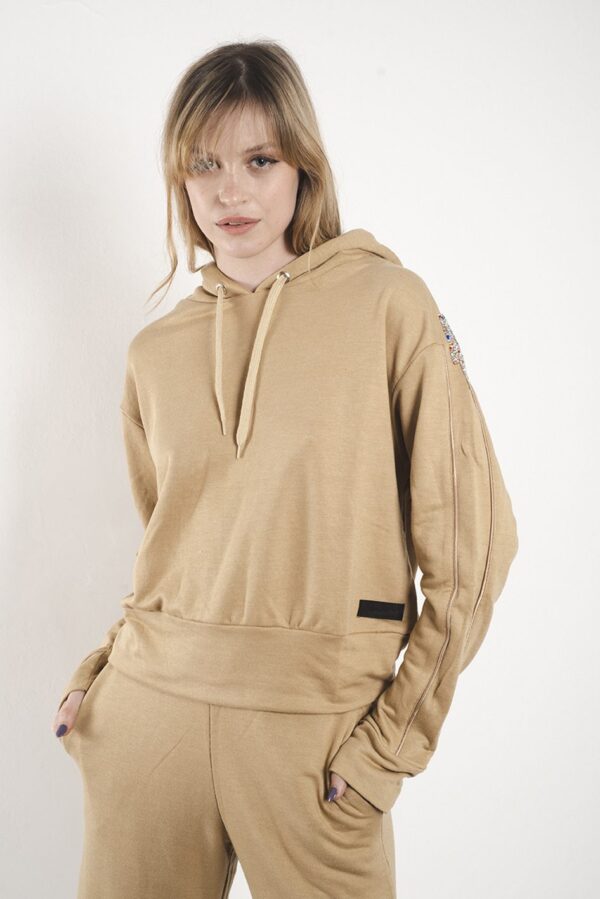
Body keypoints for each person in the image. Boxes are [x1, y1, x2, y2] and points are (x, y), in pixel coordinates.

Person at [52, 39, 518, 899]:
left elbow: (476, 548)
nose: (229, 191)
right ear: (179, 178)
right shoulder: (155, 352)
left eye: (259, 160)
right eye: (204, 163)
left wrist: (392, 744)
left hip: (316, 735)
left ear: (304, 164)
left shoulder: (389, 306)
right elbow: (170, 550)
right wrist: (102, 677)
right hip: (146, 718)